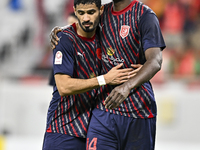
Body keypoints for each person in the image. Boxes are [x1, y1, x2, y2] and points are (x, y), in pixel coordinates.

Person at [50, 0, 166, 149]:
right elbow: (82, 25)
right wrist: (60, 32)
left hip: (138, 109)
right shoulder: (103, 12)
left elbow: (155, 61)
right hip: (104, 108)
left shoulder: (144, 15)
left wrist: (127, 86)